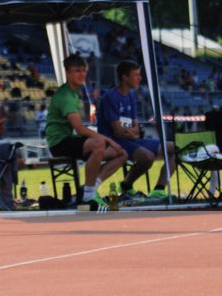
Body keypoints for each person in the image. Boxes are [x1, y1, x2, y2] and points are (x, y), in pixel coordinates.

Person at [45, 54, 125, 205]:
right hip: (59, 144)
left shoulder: (75, 92)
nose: (81, 74)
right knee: (99, 144)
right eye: (77, 71)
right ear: (68, 73)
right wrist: (107, 139)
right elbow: (80, 129)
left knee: (121, 154)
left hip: (69, 139)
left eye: (84, 71)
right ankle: (88, 196)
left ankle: (90, 188)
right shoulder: (65, 96)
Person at [96, 60, 174, 192]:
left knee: (174, 148)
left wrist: (133, 132)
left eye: (140, 74)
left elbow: (135, 126)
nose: (140, 78)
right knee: (148, 157)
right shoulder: (110, 96)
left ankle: (159, 189)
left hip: (132, 140)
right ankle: (126, 185)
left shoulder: (131, 95)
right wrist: (134, 132)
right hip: (114, 142)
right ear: (124, 77)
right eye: (136, 75)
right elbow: (117, 130)